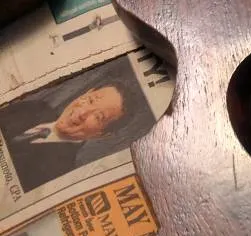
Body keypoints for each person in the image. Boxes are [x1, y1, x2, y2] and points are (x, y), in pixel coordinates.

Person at [0, 81, 147, 192]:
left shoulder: (58, 173)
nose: (83, 112)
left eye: (98, 116)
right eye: (91, 100)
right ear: (86, 93)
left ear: (101, 134)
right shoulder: (38, 107)